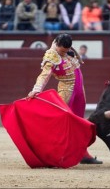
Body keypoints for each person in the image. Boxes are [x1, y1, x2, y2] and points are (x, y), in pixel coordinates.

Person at [27, 34, 102, 164]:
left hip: (79, 89)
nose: (64, 53)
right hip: (67, 90)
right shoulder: (51, 55)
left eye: (66, 51)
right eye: (62, 51)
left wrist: (70, 53)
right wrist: (36, 90)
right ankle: (54, 153)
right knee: (62, 122)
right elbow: (44, 75)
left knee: (78, 123)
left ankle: (82, 154)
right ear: (56, 44)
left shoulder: (68, 48)